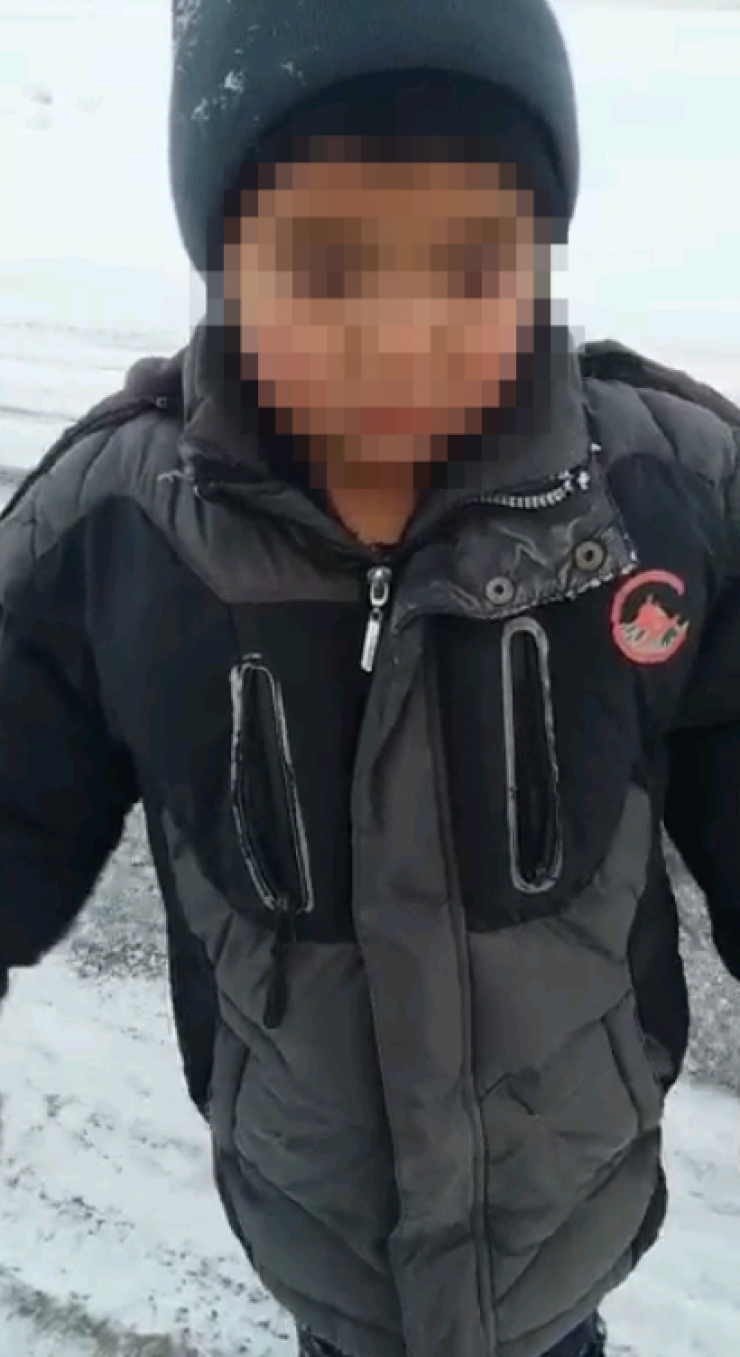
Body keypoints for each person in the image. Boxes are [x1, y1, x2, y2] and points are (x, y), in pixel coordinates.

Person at [2, 0, 740, 1354]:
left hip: (565, 1230)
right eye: (328, 266)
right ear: (225, 261)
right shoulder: (122, 530)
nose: (400, 335)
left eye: (471, 264)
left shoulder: (664, 494)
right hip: (320, 1240)